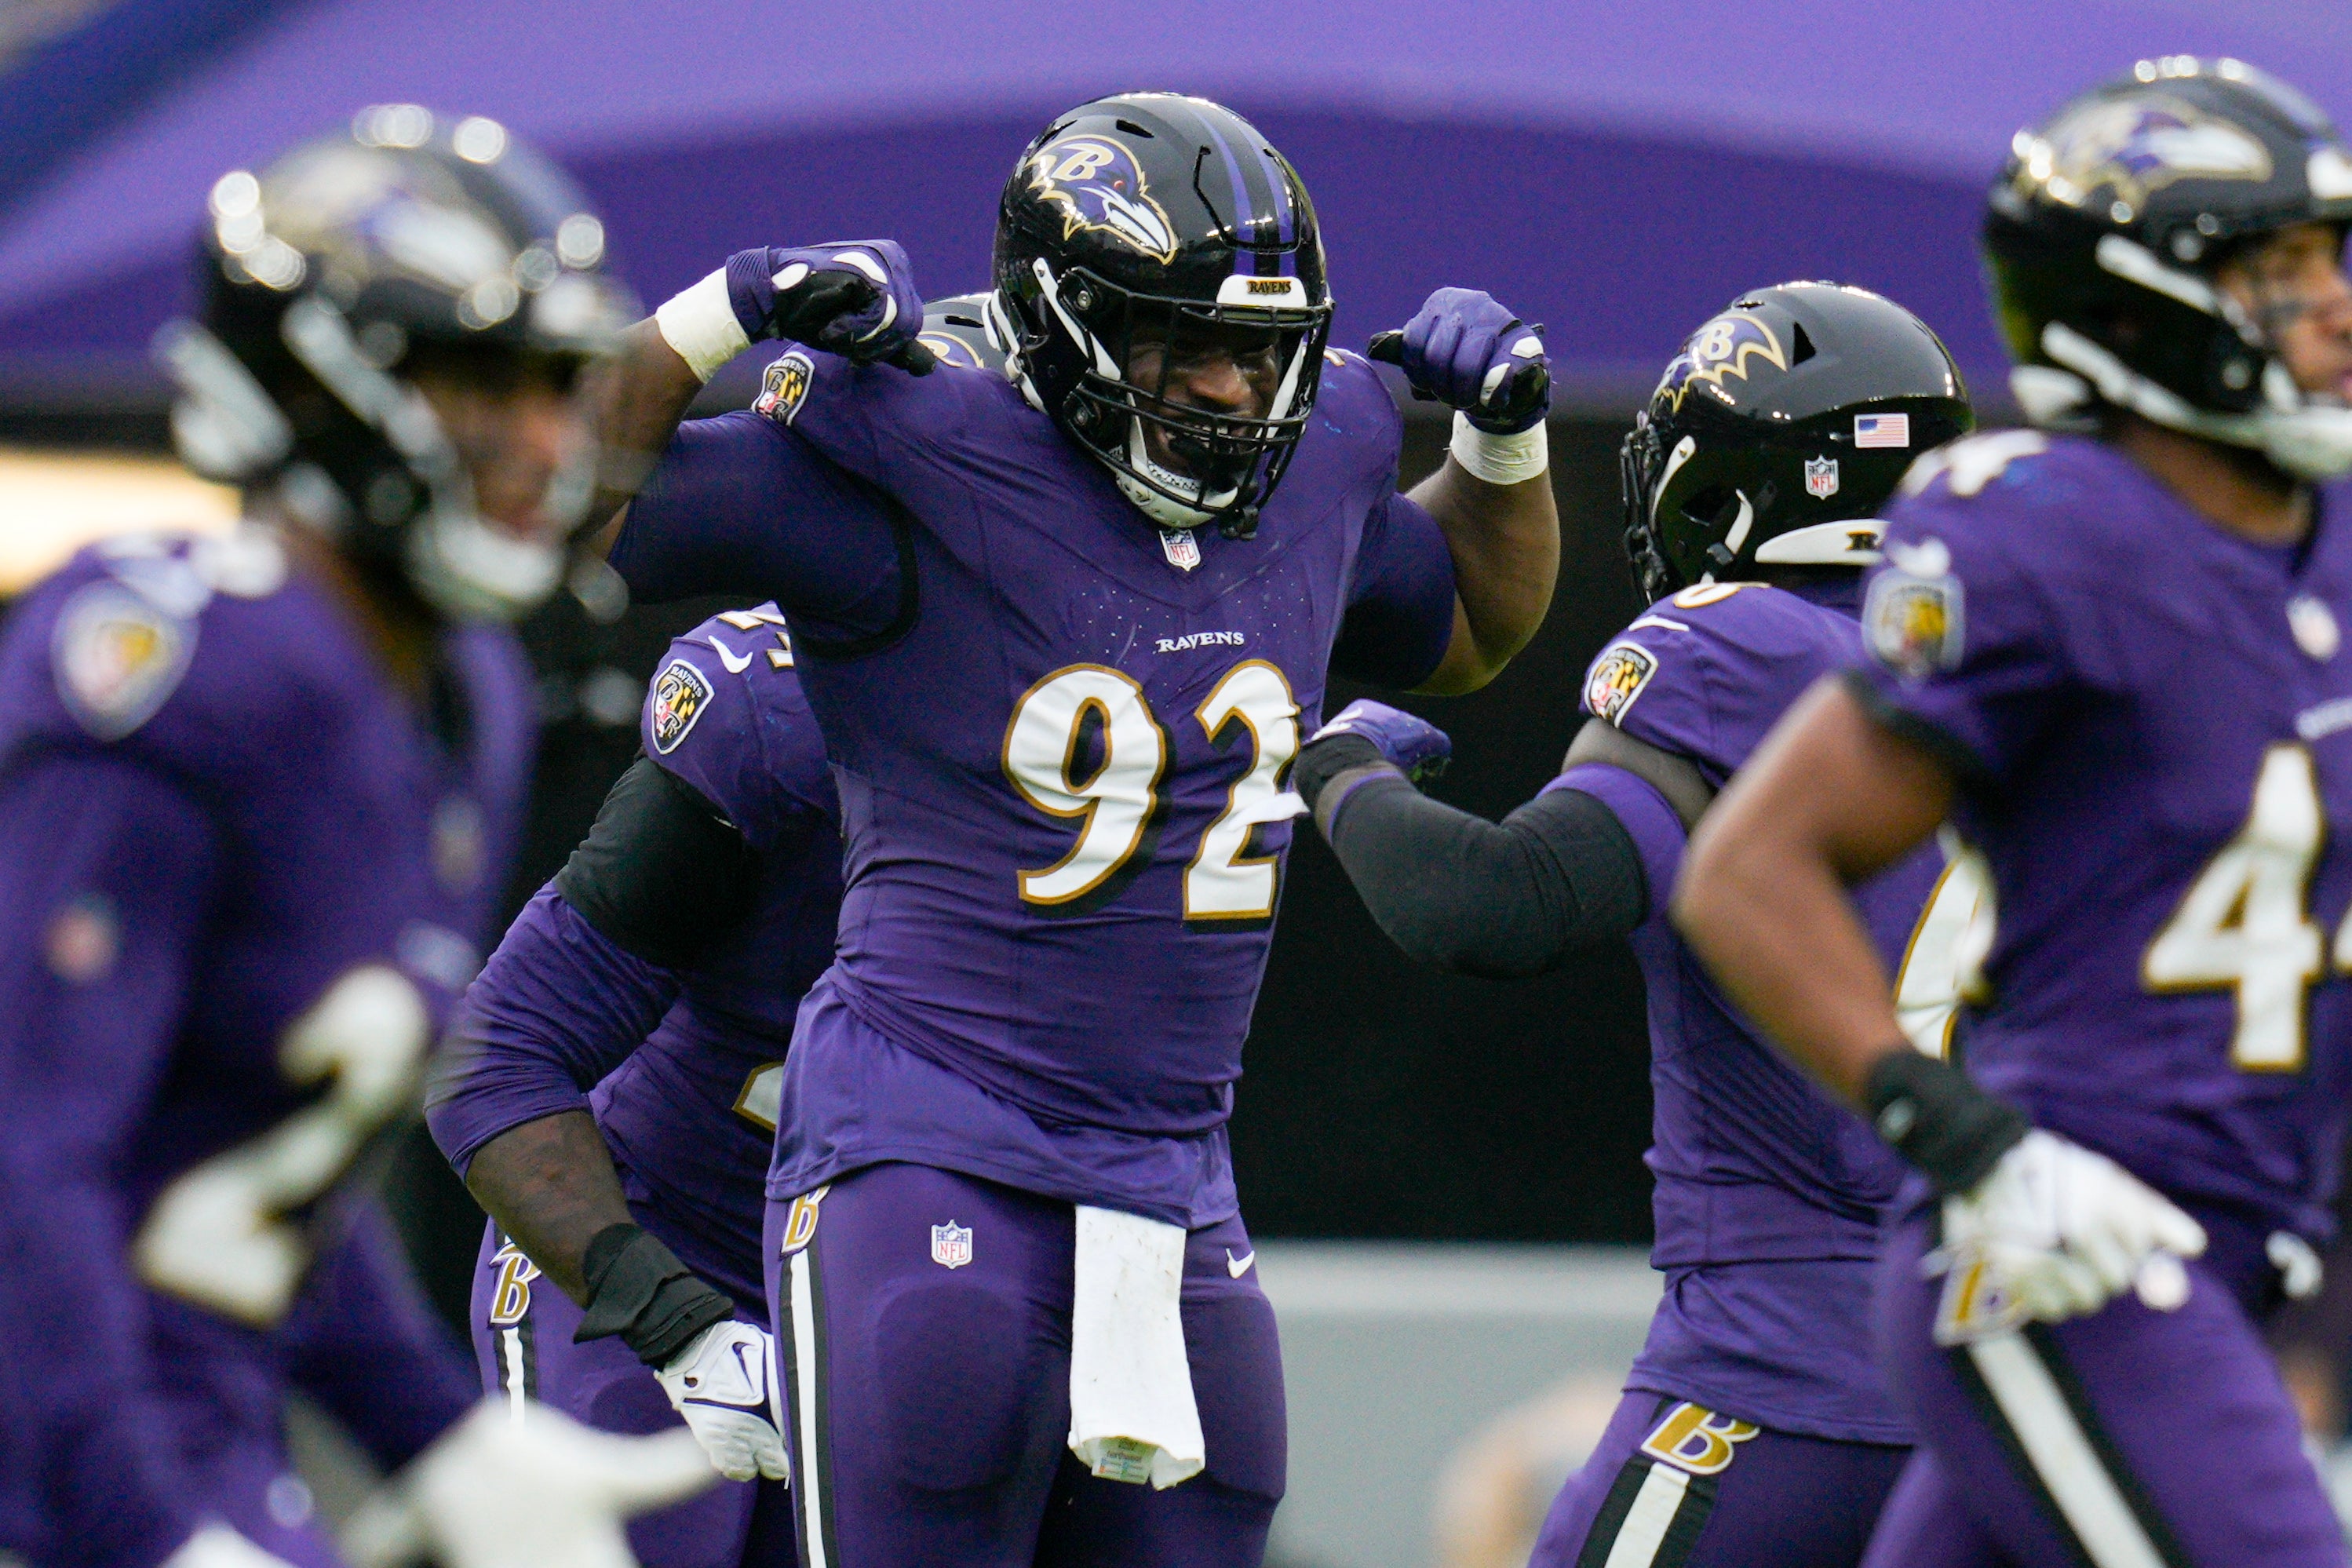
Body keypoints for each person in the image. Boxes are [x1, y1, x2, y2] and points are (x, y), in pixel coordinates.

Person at [579, 91, 1559, 1566]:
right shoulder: (915, 448)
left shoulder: (1329, 453)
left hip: (1173, 1175)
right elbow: (556, 504)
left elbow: (1471, 627)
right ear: (1060, 321)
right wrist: (708, 319)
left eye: (1260, 349)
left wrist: (1502, 444)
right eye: (1185, 343)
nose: (1231, 392)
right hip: (930, 1144)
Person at [0, 108, 712, 1568]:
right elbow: (23, 1160)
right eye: (474, 382)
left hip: (193, 1435)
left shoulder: (462, 692)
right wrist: (148, 1533)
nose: (532, 439)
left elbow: (268, 1180)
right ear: (313, 382)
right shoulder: (180, 668)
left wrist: (437, 1438)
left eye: (550, 387)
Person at [1670, 60, 2352, 1566]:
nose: (2333, 305)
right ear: (2133, 308)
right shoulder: (2051, 534)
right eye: (2276, 270)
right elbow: (1747, 869)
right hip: (2065, 1242)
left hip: (2252, 1248)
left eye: (2327, 261)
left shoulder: (2327, 538)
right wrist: (1966, 1142)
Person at [1288, 283, 1974, 1566]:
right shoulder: (2052, 667)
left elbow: (1495, 904)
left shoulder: (1740, 649)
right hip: (2012, 1401)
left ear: (1719, 493)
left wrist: (1339, 770)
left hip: (1778, 1394)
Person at [424, 301, 1002, 1568]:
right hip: (661, 1246)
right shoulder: (774, 727)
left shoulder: (1132, 727)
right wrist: (668, 1312)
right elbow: (494, 1054)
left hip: (908, 1271)